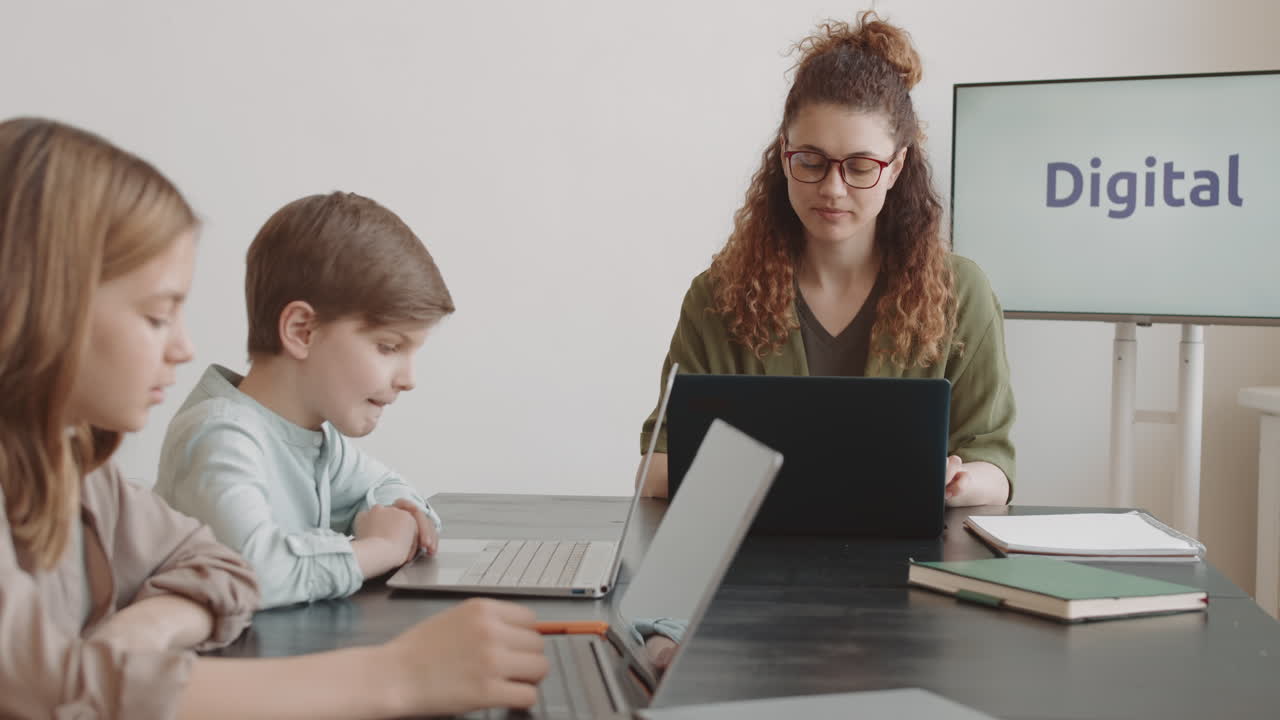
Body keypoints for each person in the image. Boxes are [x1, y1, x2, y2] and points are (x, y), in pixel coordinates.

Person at [0, 117, 547, 718]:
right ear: (39, 307)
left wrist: (132, 639)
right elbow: (44, 690)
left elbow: (219, 566)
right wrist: (392, 676)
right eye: (158, 316)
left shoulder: (74, 470)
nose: (184, 348)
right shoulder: (219, 431)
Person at [639, 12, 1016, 507]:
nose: (833, 189)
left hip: (908, 562)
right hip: (752, 569)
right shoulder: (718, 296)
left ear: (896, 165)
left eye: (860, 166)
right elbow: (656, 469)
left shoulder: (960, 292)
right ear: (784, 154)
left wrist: (961, 483)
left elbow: (993, 461)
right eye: (811, 162)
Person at [156, 191, 449, 609]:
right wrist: (381, 548)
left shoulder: (312, 440)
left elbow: (390, 488)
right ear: (302, 332)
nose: (409, 379)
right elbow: (256, 574)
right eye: (388, 347)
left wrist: (387, 517)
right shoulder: (219, 435)